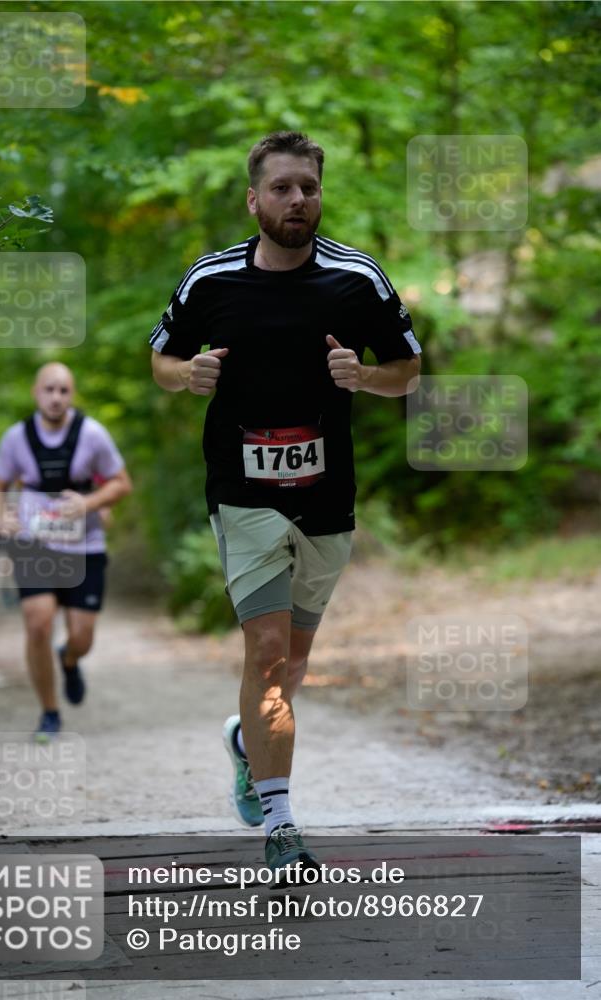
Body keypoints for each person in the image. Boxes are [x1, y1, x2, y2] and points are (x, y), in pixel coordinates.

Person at [150, 130, 422, 879]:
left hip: (326, 498)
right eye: (281, 187)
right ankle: (281, 828)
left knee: (293, 664)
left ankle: (247, 741)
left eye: (307, 186)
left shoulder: (356, 279)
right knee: (266, 653)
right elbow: (159, 359)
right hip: (242, 496)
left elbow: (408, 367)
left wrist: (364, 378)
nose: (297, 198)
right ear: (253, 198)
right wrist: (188, 375)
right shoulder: (210, 280)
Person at [0, 363, 132, 741]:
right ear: (36, 393)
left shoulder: (91, 434)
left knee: (82, 637)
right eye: (49, 389)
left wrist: (88, 504)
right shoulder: (15, 438)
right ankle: (49, 712)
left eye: (63, 390)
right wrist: (5, 519)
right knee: (37, 624)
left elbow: (121, 484)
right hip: (34, 545)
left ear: (71, 395)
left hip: (84, 547)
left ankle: (69, 659)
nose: (56, 397)